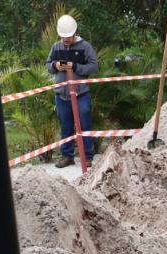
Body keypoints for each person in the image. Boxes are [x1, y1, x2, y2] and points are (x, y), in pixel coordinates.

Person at [46, 14, 99, 168]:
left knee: (84, 124)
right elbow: (48, 65)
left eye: (68, 36)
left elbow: (94, 67)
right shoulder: (56, 47)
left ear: (75, 32)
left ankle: (87, 156)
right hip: (61, 95)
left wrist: (75, 67)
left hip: (81, 93)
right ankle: (67, 156)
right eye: (63, 36)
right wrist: (55, 66)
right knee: (66, 125)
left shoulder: (85, 47)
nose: (65, 39)